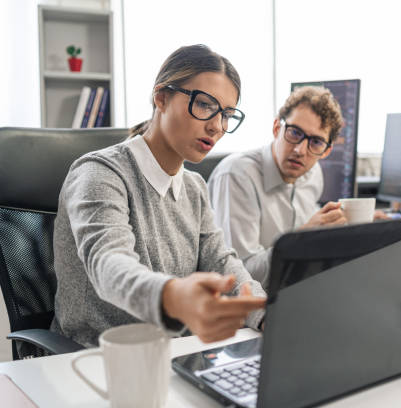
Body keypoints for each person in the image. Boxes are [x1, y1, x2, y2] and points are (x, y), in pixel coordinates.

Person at [51, 44, 266, 348]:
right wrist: (173, 297)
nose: (217, 126)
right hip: (95, 357)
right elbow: (109, 265)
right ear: (161, 98)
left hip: (175, 352)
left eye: (227, 114)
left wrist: (264, 311)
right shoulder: (99, 173)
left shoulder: (194, 187)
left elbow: (221, 261)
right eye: (205, 105)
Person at [207, 86, 347, 290]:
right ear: (276, 128)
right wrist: (300, 241)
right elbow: (237, 276)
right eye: (295, 133)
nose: (300, 150)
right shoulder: (237, 175)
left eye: (316, 142)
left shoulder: (313, 172)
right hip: (249, 305)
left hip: (295, 289)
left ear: (326, 151)